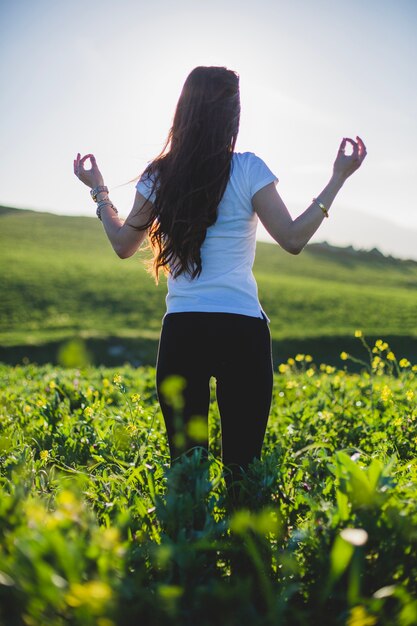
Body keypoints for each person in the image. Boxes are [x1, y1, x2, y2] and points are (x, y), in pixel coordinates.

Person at [74, 65, 366, 487]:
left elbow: (124, 245)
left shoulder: (161, 174)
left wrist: (100, 191)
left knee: (188, 478)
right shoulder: (248, 169)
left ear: (184, 110)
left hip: (183, 334)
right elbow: (292, 238)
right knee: (243, 480)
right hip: (243, 333)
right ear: (232, 115)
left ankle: (189, 550)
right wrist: (337, 178)